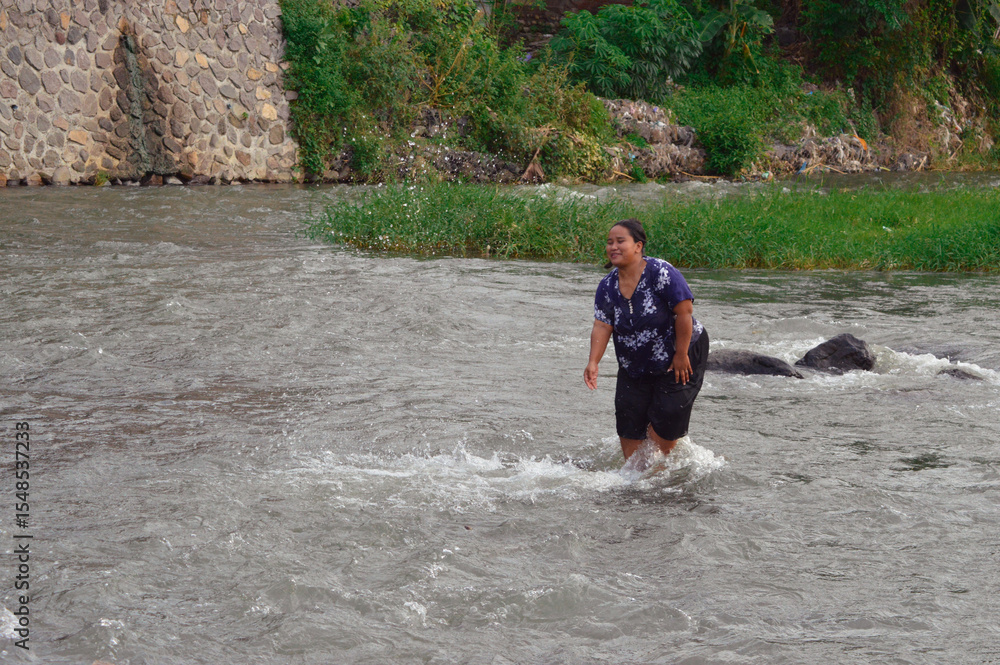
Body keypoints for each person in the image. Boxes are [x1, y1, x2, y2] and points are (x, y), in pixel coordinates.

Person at [584, 219, 709, 461]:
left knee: (669, 413)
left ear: (638, 246)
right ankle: (635, 474)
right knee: (628, 416)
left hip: (680, 352)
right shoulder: (607, 286)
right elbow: (602, 325)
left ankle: (662, 465)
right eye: (609, 242)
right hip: (634, 361)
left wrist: (681, 354)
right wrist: (593, 362)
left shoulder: (661, 272)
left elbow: (684, 313)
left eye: (620, 241)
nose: (613, 247)